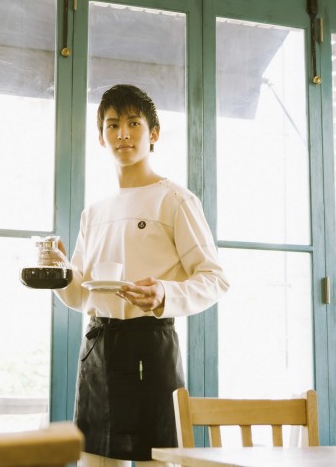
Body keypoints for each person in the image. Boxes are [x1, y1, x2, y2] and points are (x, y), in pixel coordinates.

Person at [51, 84, 229, 466]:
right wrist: (60, 273)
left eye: (134, 123)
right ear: (101, 137)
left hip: (152, 346)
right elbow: (81, 295)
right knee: (94, 461)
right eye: (112, 125)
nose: (123, 134)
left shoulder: (175, 200)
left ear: (154, 134)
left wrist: (165, 293)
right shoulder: (93, 213)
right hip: (98, 348)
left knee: (158, 459)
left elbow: (214, 278)